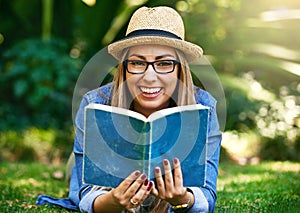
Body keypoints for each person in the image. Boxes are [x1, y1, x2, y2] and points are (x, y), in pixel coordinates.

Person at [37, 6, 222, 213]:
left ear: (180, 68)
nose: (150, 77)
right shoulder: (95, 103)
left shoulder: (204, 108)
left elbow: (206, 196)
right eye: (136, 63)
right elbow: (85, 193)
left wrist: (183, 199)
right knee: (76, 168)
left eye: (164, 64)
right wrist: (111, 202)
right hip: (93, 170)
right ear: (124, 68)